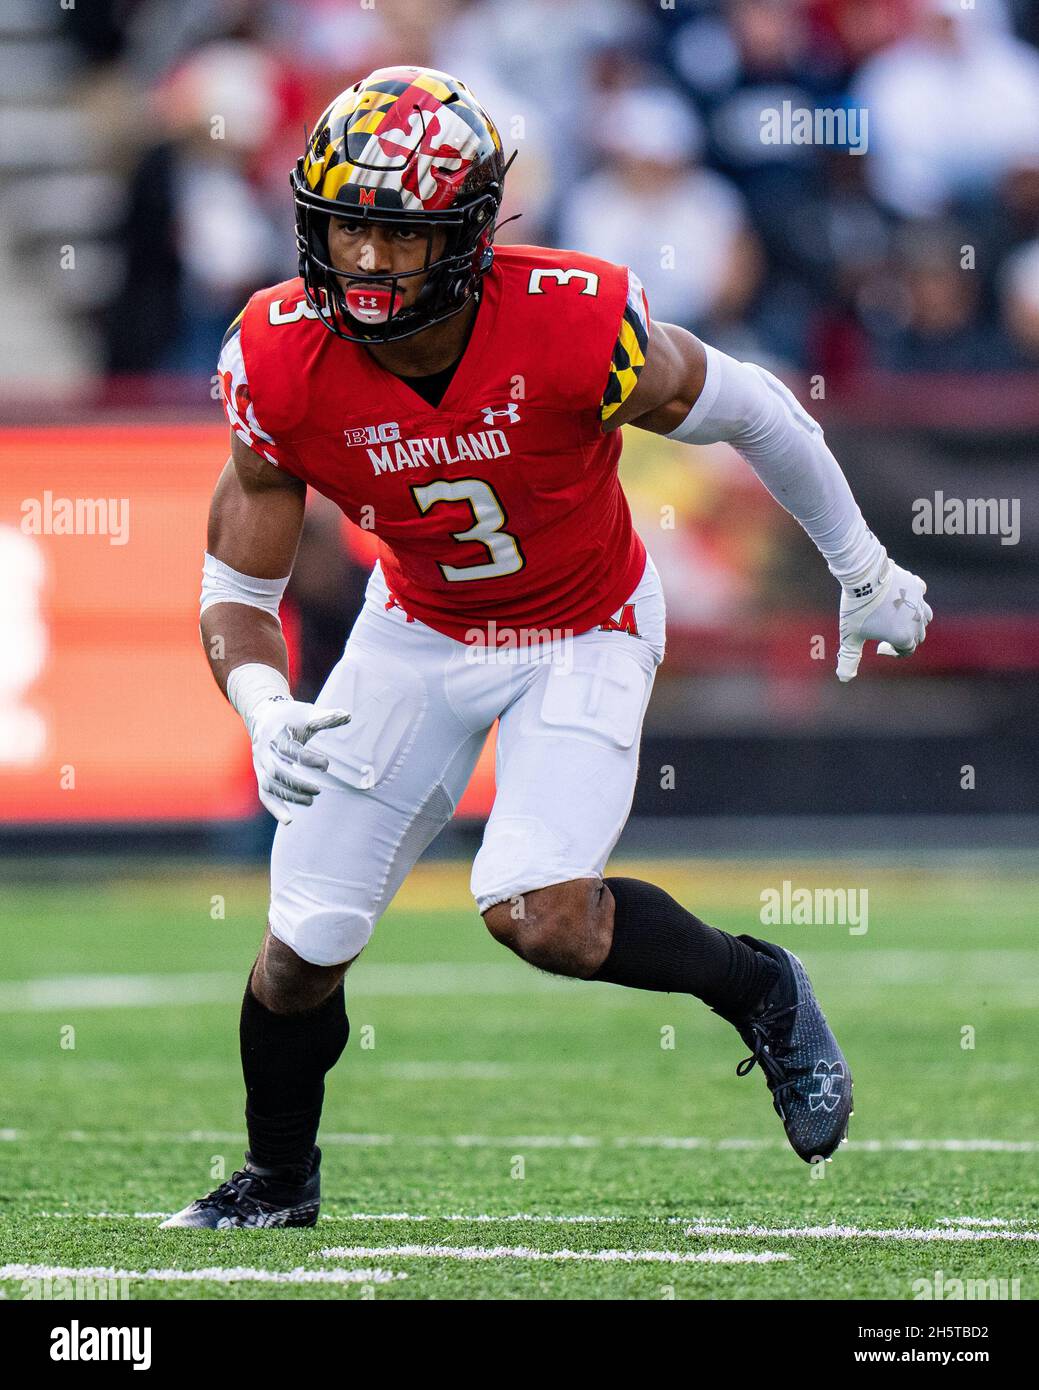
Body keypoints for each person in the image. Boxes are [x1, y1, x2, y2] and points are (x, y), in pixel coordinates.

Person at [163, 66, 931, 1229]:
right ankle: (278, 1181)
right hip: (418, 627)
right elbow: (236, 581)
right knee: (299, 950)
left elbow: (758, 409)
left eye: (395, 232)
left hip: (585, 622)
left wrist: (861, 567)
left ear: (466, 232)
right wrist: (263, 699)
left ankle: (758, 985)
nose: (364, 261)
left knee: (541, 915)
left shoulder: (573, 321)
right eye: (346, 227)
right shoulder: (275, 355)